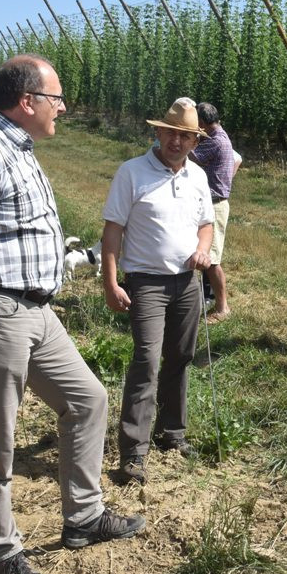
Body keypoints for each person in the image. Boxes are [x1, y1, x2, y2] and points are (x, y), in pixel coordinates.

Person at [0, 55, 145, 574]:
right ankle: (1, 553)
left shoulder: (13, 146)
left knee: (87, 400)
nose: (64, 108)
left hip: (37, 310)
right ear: (27, 102)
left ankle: (83, 515)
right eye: (56, 98)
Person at [102, 99, 214, 484]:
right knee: (146, 361)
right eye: (172, 133)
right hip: (146, 282)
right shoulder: (131, 173)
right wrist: (111, 281)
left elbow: (206, 223)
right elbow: (112, 231)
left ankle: (172, 432)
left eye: (186, 136)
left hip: (187, 283)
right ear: (158, 133)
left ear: (195, 142)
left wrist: (203, 250)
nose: (177, 142)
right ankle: (133, 451)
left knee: (180, 357)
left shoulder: (197, 176)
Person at [188, 102, 238, 323]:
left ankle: (222, 307)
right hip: (213, 202)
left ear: (201, 122)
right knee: (205, 256)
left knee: (212, 260)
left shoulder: (215, 141)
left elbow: (190, 157)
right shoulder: (220, 136)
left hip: (215, 205)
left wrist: (185, 138)